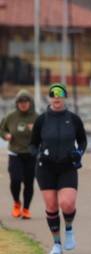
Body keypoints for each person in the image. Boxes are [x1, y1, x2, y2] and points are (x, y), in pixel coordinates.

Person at [30, 84, 87, 254]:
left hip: (67, 166)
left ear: (64, 97)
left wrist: (79, 153)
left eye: (60, 95)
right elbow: (32, 144)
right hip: (46, 168)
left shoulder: (74, 119)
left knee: (67, 204)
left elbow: (82, 141)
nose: (56, 98)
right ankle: (56, 244)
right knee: (52, 206)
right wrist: (39, 155)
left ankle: (68, 229)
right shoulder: (42, 120)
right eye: (53, 95)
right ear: (50, 98)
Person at [1, 90, 39, 219]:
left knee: (29, 183)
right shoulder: (11, 116)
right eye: (20, 102)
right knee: (15, 180)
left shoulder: (36, 117)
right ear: (17, 103)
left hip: (31, 154)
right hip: (15, 153)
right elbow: (2, 129)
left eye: (25, 101)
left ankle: (26, 209)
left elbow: (44, 134)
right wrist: (6, 135)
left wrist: (35, 131)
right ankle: (17, 203)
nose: (23, 104)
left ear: (30, 102)